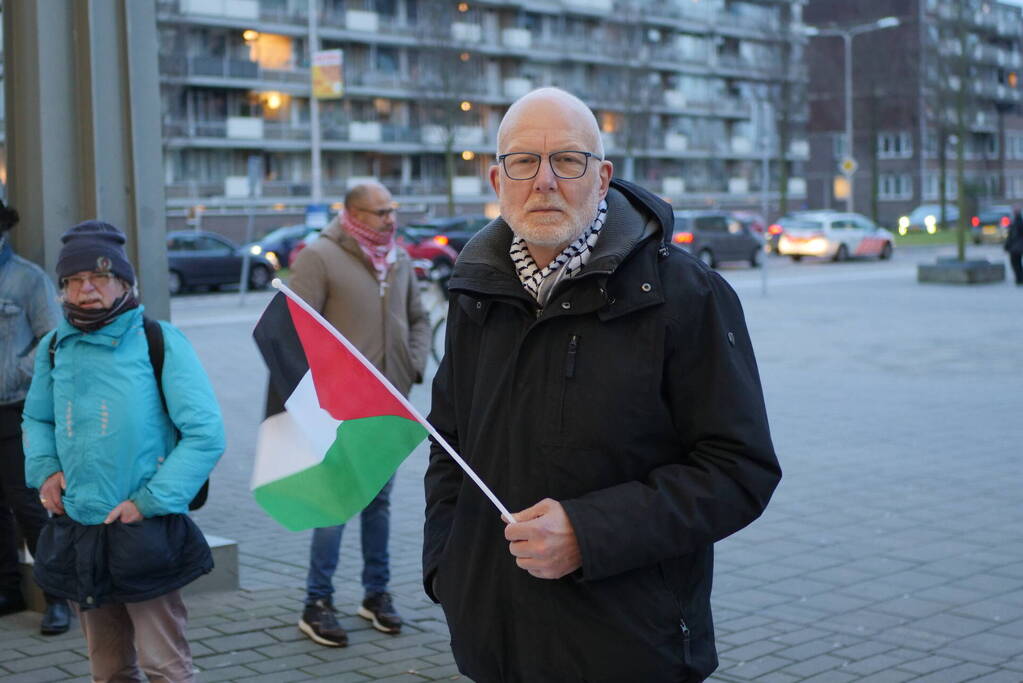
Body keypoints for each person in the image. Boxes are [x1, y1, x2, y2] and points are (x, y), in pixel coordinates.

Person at [423, 88, 782, 682]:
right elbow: (449, 448)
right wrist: (449, 570)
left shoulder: (684, 295)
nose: (544, 181)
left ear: (603, 177)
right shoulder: (474, 295)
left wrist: (589, 534)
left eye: (567, 160)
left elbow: (739, 470)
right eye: (523, 162)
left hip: (630, 647)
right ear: (497, 180)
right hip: (494, 643)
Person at [22, 220, 225, 682]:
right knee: (108, 667)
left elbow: (205, 434)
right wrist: (46, 468)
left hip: (143, 528)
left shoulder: (158, 341)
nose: (86, 289)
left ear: (124, 283)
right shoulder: (54, 346)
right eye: (74, 280)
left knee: (164, 666)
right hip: (82, 527)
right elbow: (37, 418)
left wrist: (148, 503)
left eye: (100, 276)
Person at [289, 181, 430, 647]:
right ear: (351, 213)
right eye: (380, 212)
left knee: (378, 502)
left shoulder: (399, 257)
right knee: (335, 503)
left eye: (392, 210)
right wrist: (331, 386)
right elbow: (295, 329)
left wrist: (412, 365)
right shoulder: (319, 257)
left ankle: (376, 594)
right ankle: (316, 602)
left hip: (389, 404)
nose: (390, 219)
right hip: (340, 407)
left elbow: (419, 317)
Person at [0, 199, 69, 634]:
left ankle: (57, 599)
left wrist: (13, 372)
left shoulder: (28, 278)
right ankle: (9, 591)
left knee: (29, 506)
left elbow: (53, 338)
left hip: (17, 408)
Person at [1006, 204, 1023, 285]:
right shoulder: (1015, 220)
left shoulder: (1018, 221)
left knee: (1016, 263)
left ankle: (1019, 279)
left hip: (1016, 247)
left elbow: (1013, 235)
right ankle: (1019, 278)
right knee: (1016, 263)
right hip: (1016, 246)